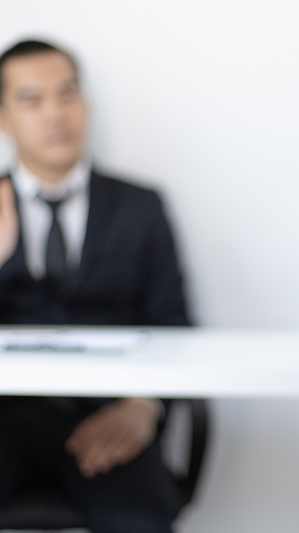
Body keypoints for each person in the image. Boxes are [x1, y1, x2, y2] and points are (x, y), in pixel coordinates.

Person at [0, 39, 190, 533]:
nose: (55, 115)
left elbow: (174, 324)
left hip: (111, 415)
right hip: (4, 419)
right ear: (3, 117)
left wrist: (142, 408)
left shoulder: (140, 206)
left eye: (67, 95)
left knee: (141, 515)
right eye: (31, 99)